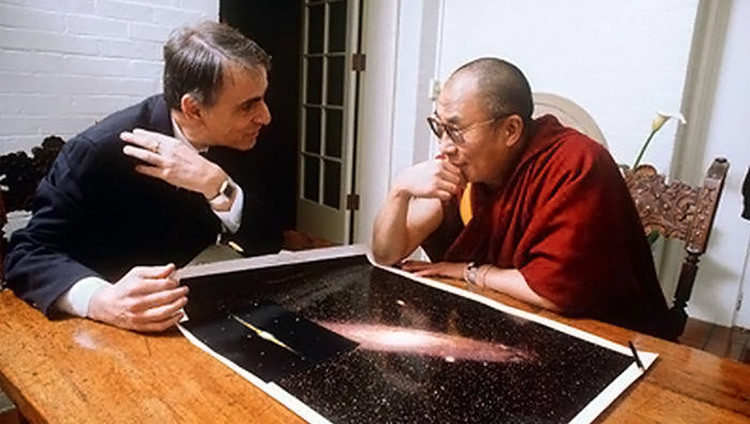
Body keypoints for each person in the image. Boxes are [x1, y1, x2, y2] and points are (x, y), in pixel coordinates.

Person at [4, 21, 282, 332]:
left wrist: (219, 185)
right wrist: (99, 300)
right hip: (107, 330)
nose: (266, 116)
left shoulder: (243, 137)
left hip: (197, 313)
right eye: (248, 105)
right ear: (193, 109)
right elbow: (26, 254)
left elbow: (269, 239)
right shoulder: (97, 150)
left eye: (262, 97)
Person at [372, 57, 671, 338]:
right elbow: (387, 254)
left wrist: (468, 271)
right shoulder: (466, 166)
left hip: (607, 337)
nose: (444, 145)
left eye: (456, 129)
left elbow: (552, 292)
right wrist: (399, 191)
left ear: (511, 130)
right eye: (440, 126)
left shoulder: (577, 164)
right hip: (509, 324)